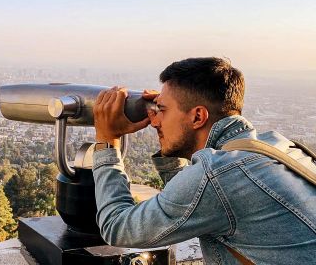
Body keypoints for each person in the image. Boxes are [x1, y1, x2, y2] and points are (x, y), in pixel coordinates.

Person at [92, 57, 316, 264]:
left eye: (162, 110)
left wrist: (107, 141)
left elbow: (117, 227)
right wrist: (168, 140)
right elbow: (194, 201)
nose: (155, 121)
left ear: (198, 116)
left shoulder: (218, 175)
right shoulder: (278, 147)